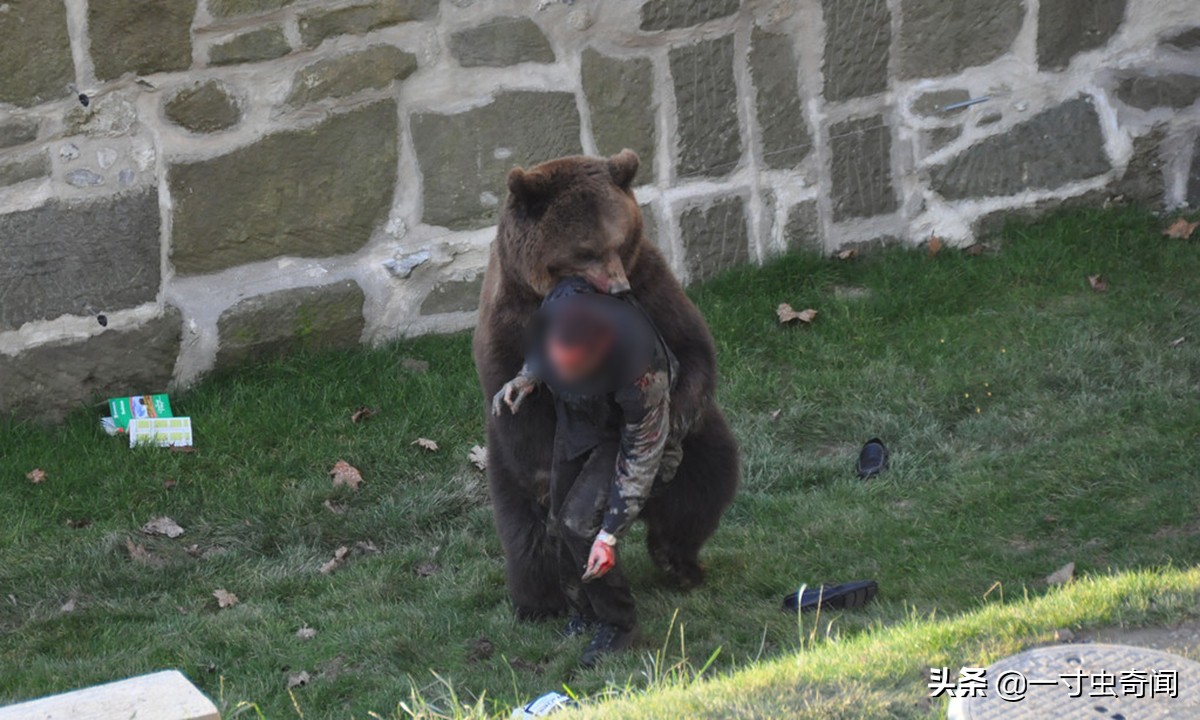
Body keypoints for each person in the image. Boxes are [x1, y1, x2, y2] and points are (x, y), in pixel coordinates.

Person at [492, 276, 681, 667]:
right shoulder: (560, 305)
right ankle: (584, 610)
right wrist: (529, 377)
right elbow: (542, 352)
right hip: (578, 420)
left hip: (623, 432)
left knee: (584, 525)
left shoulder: (643, 370)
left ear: (601, 354)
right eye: (558, 362)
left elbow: (642, 458)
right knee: (561, 517)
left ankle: (618, 622)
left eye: (573, 367)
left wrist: (609, 535)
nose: (563, 372)